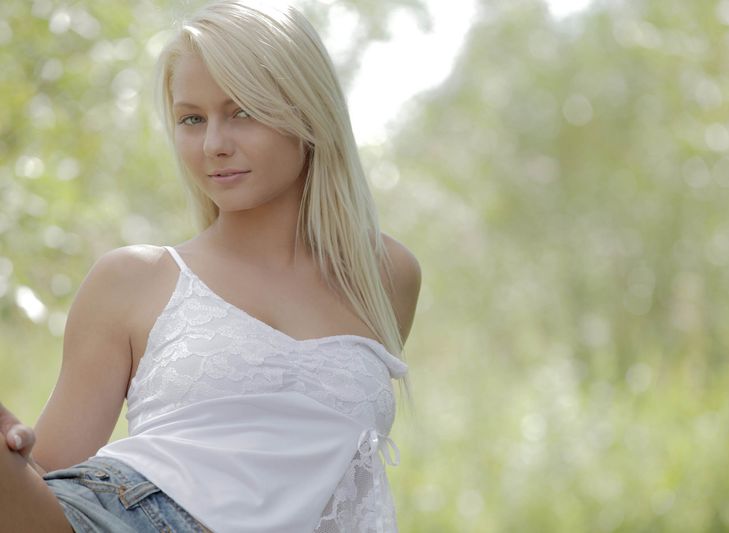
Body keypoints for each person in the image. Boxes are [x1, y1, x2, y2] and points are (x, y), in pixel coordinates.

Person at [0, 0, 421, 531]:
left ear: (309, 113)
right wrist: (12, 459)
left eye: (242, 110)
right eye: (191, 119)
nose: (214, 145)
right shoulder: (133, 280)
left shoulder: (385, 274)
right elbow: (48, 476)